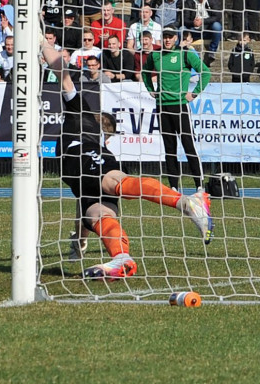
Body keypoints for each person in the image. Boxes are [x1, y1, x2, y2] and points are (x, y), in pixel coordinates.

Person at [41, 39, 212, 278]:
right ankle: (121, 257)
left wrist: (42, 43)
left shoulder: (82, 119)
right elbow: (79, 213)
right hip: (81, 178)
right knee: (98, 215)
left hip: (84, 156)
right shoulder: (89, 127)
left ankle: (186, 203)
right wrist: (78, 243)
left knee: (113, 181)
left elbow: (63, 75)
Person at [141, 26, 211, 194]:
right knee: (169, 147)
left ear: (176, 38)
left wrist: (194, 93)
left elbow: (206, 72)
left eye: (170, 37)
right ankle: (173, 186)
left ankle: (199, 184)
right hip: (162, 107)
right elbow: (144, 72)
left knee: (188, 145)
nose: (167, 39)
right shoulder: (155, 55)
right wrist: (151, 88)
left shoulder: (185, 54)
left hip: (180, 106)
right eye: (165, 36)